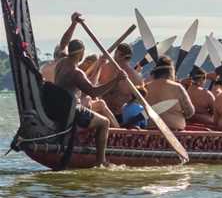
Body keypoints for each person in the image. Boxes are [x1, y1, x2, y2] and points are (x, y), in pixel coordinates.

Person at [53, 36, 128, 167]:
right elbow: (93, 92)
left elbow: (63, 42)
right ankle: (101, 161)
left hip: (59, 107)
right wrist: (116, 80)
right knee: (104, 122)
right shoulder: (77, 73)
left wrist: (73, 23)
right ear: (81, 53)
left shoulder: (61, 62)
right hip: (73, 110)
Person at [98, 43, 144, 120]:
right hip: (112, 114)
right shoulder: (136, 77)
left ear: (116, 53)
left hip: (110, 114)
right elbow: (142, 96)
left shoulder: (103, 68)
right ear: (129, 58)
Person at [145, 61, 195, 131]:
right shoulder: (177, 87)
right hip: (175, 133)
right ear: (171, 72)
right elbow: (190, 112)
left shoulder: (146, 87)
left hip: (150, 131)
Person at [40, 12, 82, 83]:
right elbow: (64, 44)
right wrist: (73, 24)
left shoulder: (44, 67)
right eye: (66, 55)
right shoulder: (61, 67)